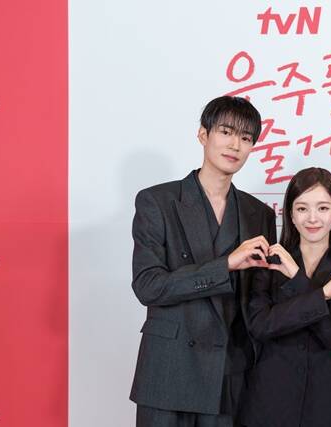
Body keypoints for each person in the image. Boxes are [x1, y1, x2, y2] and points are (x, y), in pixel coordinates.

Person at [129, 96, 277, 427]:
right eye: (226, 132)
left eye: (246, 138)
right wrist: (225, 265)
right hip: (169, 371)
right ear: (203, 135)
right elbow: (148, 286)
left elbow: (258, 299)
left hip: (229, 373)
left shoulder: (259, 214)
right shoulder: (158, 201)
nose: (235, 145)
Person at [240, 168, 331, 427]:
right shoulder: (269, 264)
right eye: (302, 208)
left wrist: (297, 279)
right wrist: (323, 294)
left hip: (326, 406)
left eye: (323, 208)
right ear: (291, 215)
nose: (312, 218)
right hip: (269, 402)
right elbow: (260, 326)